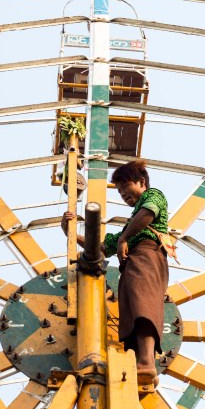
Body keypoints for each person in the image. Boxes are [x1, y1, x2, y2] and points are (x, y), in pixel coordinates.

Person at [61, 160, 170, 381]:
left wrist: (124, 238)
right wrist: (69, 231)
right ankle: (141, 361)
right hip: (133, 264)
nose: (122, 194)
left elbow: (148, 213)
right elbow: (100, 247)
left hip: (147, 257)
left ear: (141, 182)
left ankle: (147, 362)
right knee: (131, 308)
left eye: (125, 187)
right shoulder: (130, 226)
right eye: (119, 191)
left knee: (143, 303)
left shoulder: (153, 196)